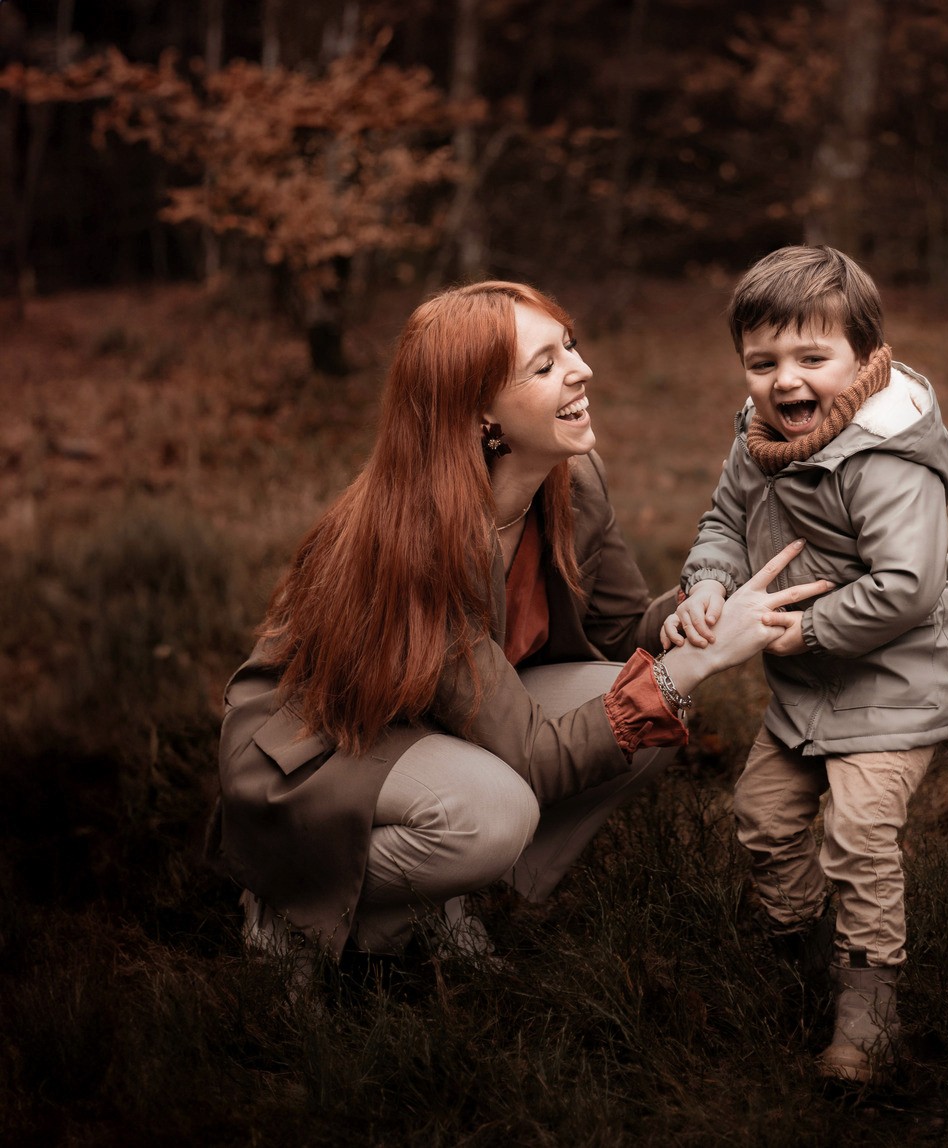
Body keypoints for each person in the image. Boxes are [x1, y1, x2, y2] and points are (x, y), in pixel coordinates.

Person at [210, 280, 828, 968]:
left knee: (649, 703)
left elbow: (623, 632)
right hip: (330, 739)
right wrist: (696, 662)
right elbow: (536, 758)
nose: (582, 369)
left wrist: (716, 589)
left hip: (449, 713)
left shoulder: (575, 479)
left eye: (570, 345)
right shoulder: (421, 541)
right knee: (498, 811)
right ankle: (289, 897)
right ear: (480, 414)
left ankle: (462, 895)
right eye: (544, 365)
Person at [662, 246, 948, 1082]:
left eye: (811, 358)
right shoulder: (758, 438)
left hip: (895, 686)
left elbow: (906, 584)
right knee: (762, 815)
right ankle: (798, 949)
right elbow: (724, 521)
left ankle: (868, 1005)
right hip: (807, 690)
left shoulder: (885, 458)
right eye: (762, 363)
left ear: (864, 359)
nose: (785, 381)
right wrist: (708, 583)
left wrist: (806, 630)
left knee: (858, 835)